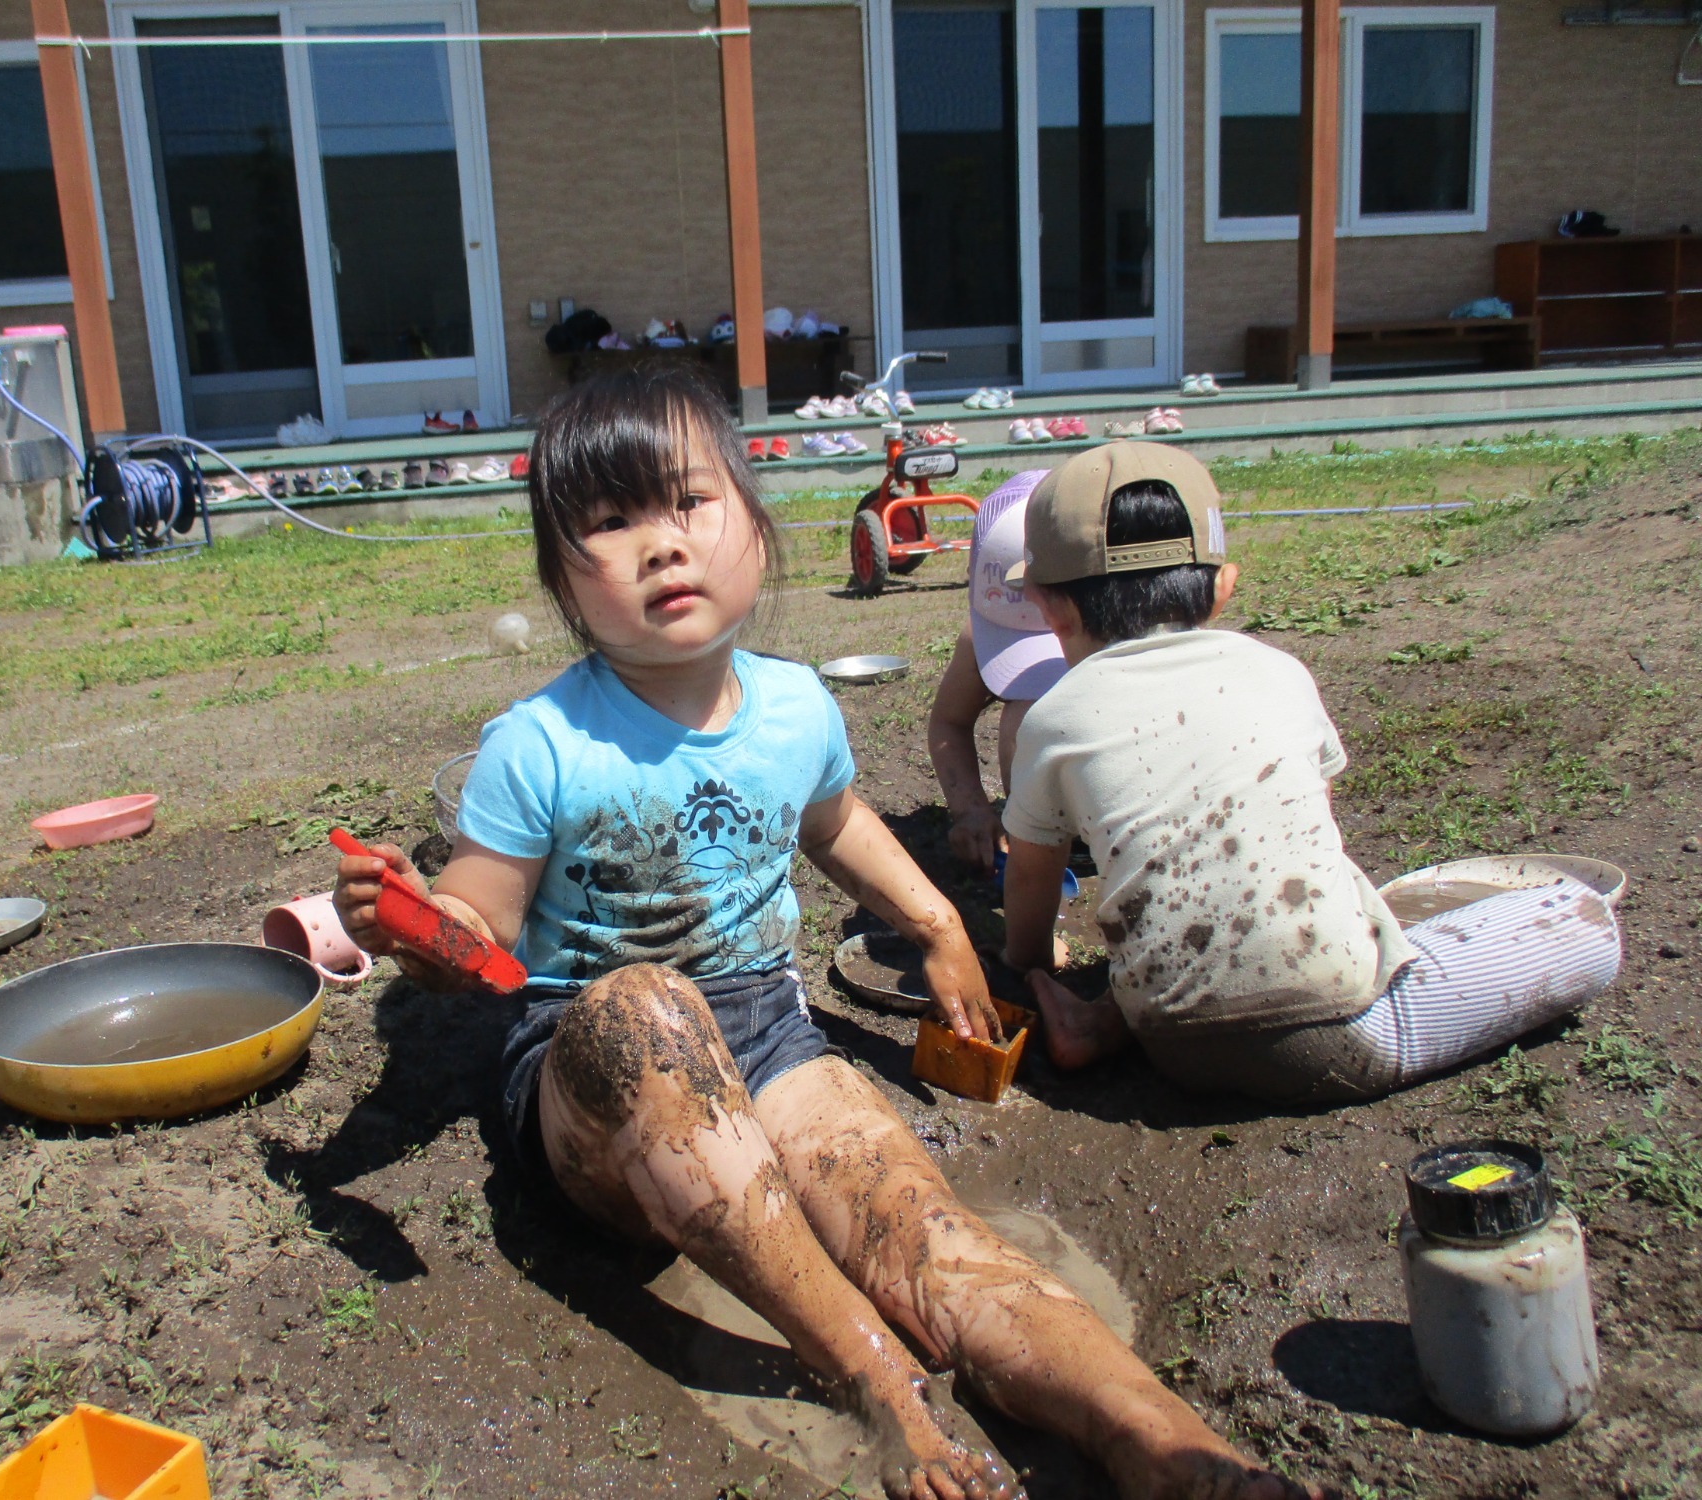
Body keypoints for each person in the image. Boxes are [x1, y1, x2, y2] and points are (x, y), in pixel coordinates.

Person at [335, 368, 1318, 1500]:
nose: (660, 546)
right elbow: (480, 922)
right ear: (563, 578)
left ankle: (1159, 1439)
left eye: (687, 503)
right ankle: (872, 1378)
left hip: (763, 1032)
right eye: (609, 523)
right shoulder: (538, 743)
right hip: (592, 1076)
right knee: (643, 1010)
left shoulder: (795, 704)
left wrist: (939, 922)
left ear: (754, 527)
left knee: (921, 1226)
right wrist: (418, 924)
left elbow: (832, 821)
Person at [998, 442, 1622, 1102]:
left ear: (1048, 607)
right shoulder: (1278, 673)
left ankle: (1102, 1025)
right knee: (1580, 919)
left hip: (1168, 1036)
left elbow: (1033, 874)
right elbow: (1307, 830)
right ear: (1222, 588)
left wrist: (1030, 967)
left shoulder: (1053, 717)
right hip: (1345, 1036)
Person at [928, 469, 1068, 872]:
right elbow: (949, 723)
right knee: (1026, 718)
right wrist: (970, 808)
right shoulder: (978, 640)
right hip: (1039, 828)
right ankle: (1039, 829)